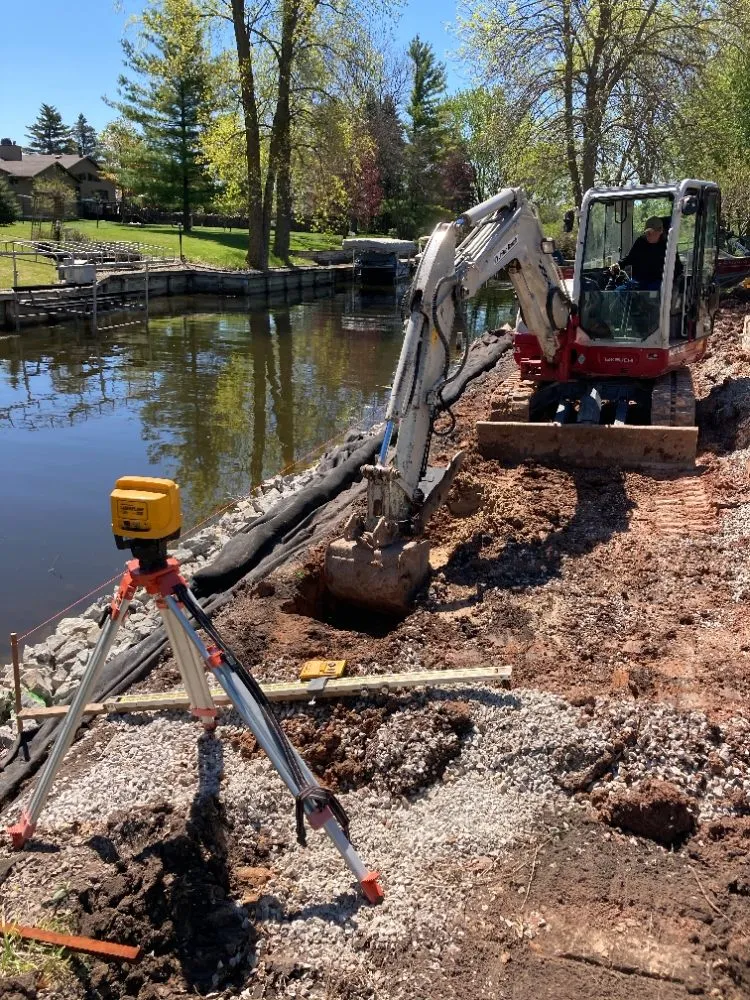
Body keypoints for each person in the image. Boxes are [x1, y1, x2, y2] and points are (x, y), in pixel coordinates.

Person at [610, 216, 682, 291]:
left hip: (658, 283)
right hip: (638, 282)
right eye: (646, 232)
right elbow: (630, 258)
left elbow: (678, 268)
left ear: (660, 231)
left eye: (651, 232)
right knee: (618, 292)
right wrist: (618, 265)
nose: (648, 235)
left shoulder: (668, 246)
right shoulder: (640, 242)